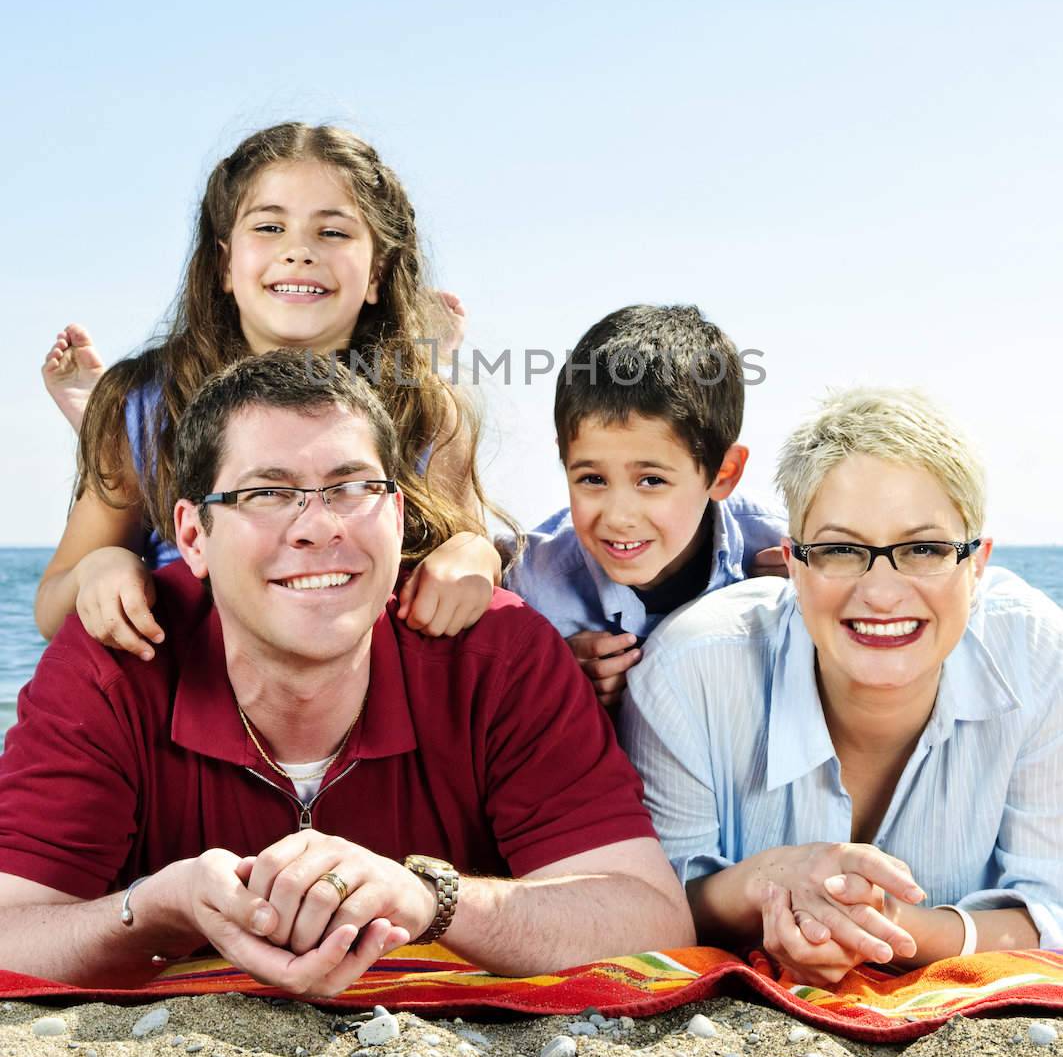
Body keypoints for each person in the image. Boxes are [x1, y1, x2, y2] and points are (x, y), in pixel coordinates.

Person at [0, 352, 692, 993]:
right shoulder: (115, 664)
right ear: (191, 537)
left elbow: (650, 919)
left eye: (351, 487)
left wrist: (430, 899)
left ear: (395, 513)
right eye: (267, 494)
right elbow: (11, 927)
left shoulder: (498, 655)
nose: (316, 527)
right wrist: (154, 908)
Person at [622, 386, 1063, 986]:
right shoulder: (688, 671)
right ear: (794, 565)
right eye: (839, 550)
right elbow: (650, 901)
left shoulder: (1040, 656)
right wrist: (771, 879)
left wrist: (891, 926)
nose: (881, 592)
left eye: (926, 548)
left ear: (977, 563)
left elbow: (1053, 904)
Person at [35, 122, 498, 653]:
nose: (299, 251)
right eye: (270, 228)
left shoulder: (426, 411)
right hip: (193, 690)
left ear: (377, 272)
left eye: (333, 232)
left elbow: (467, 548)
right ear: (226, 262)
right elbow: (51, 609)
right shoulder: (144, 409)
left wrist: (473, 553)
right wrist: (102, 565)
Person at [505, 306, 785, 707]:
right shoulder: (530, 586)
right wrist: (550, 677)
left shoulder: (786, 550)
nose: (618, 517)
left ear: (723, 473)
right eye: (592, 479)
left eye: (651, 481)